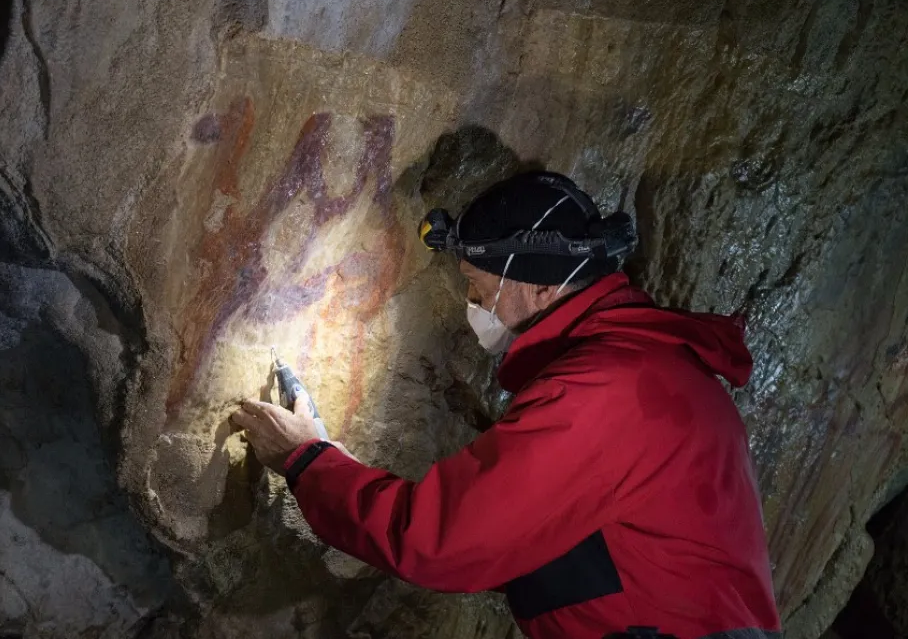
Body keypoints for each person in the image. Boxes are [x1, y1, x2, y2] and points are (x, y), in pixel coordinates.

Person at [231, 171, 782, 639]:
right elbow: (535, 538)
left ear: (541, 286)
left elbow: (445, 542)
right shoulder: (655, 369)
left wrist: (308, 461)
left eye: (477, 285)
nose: (472, 304)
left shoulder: (605, 391)